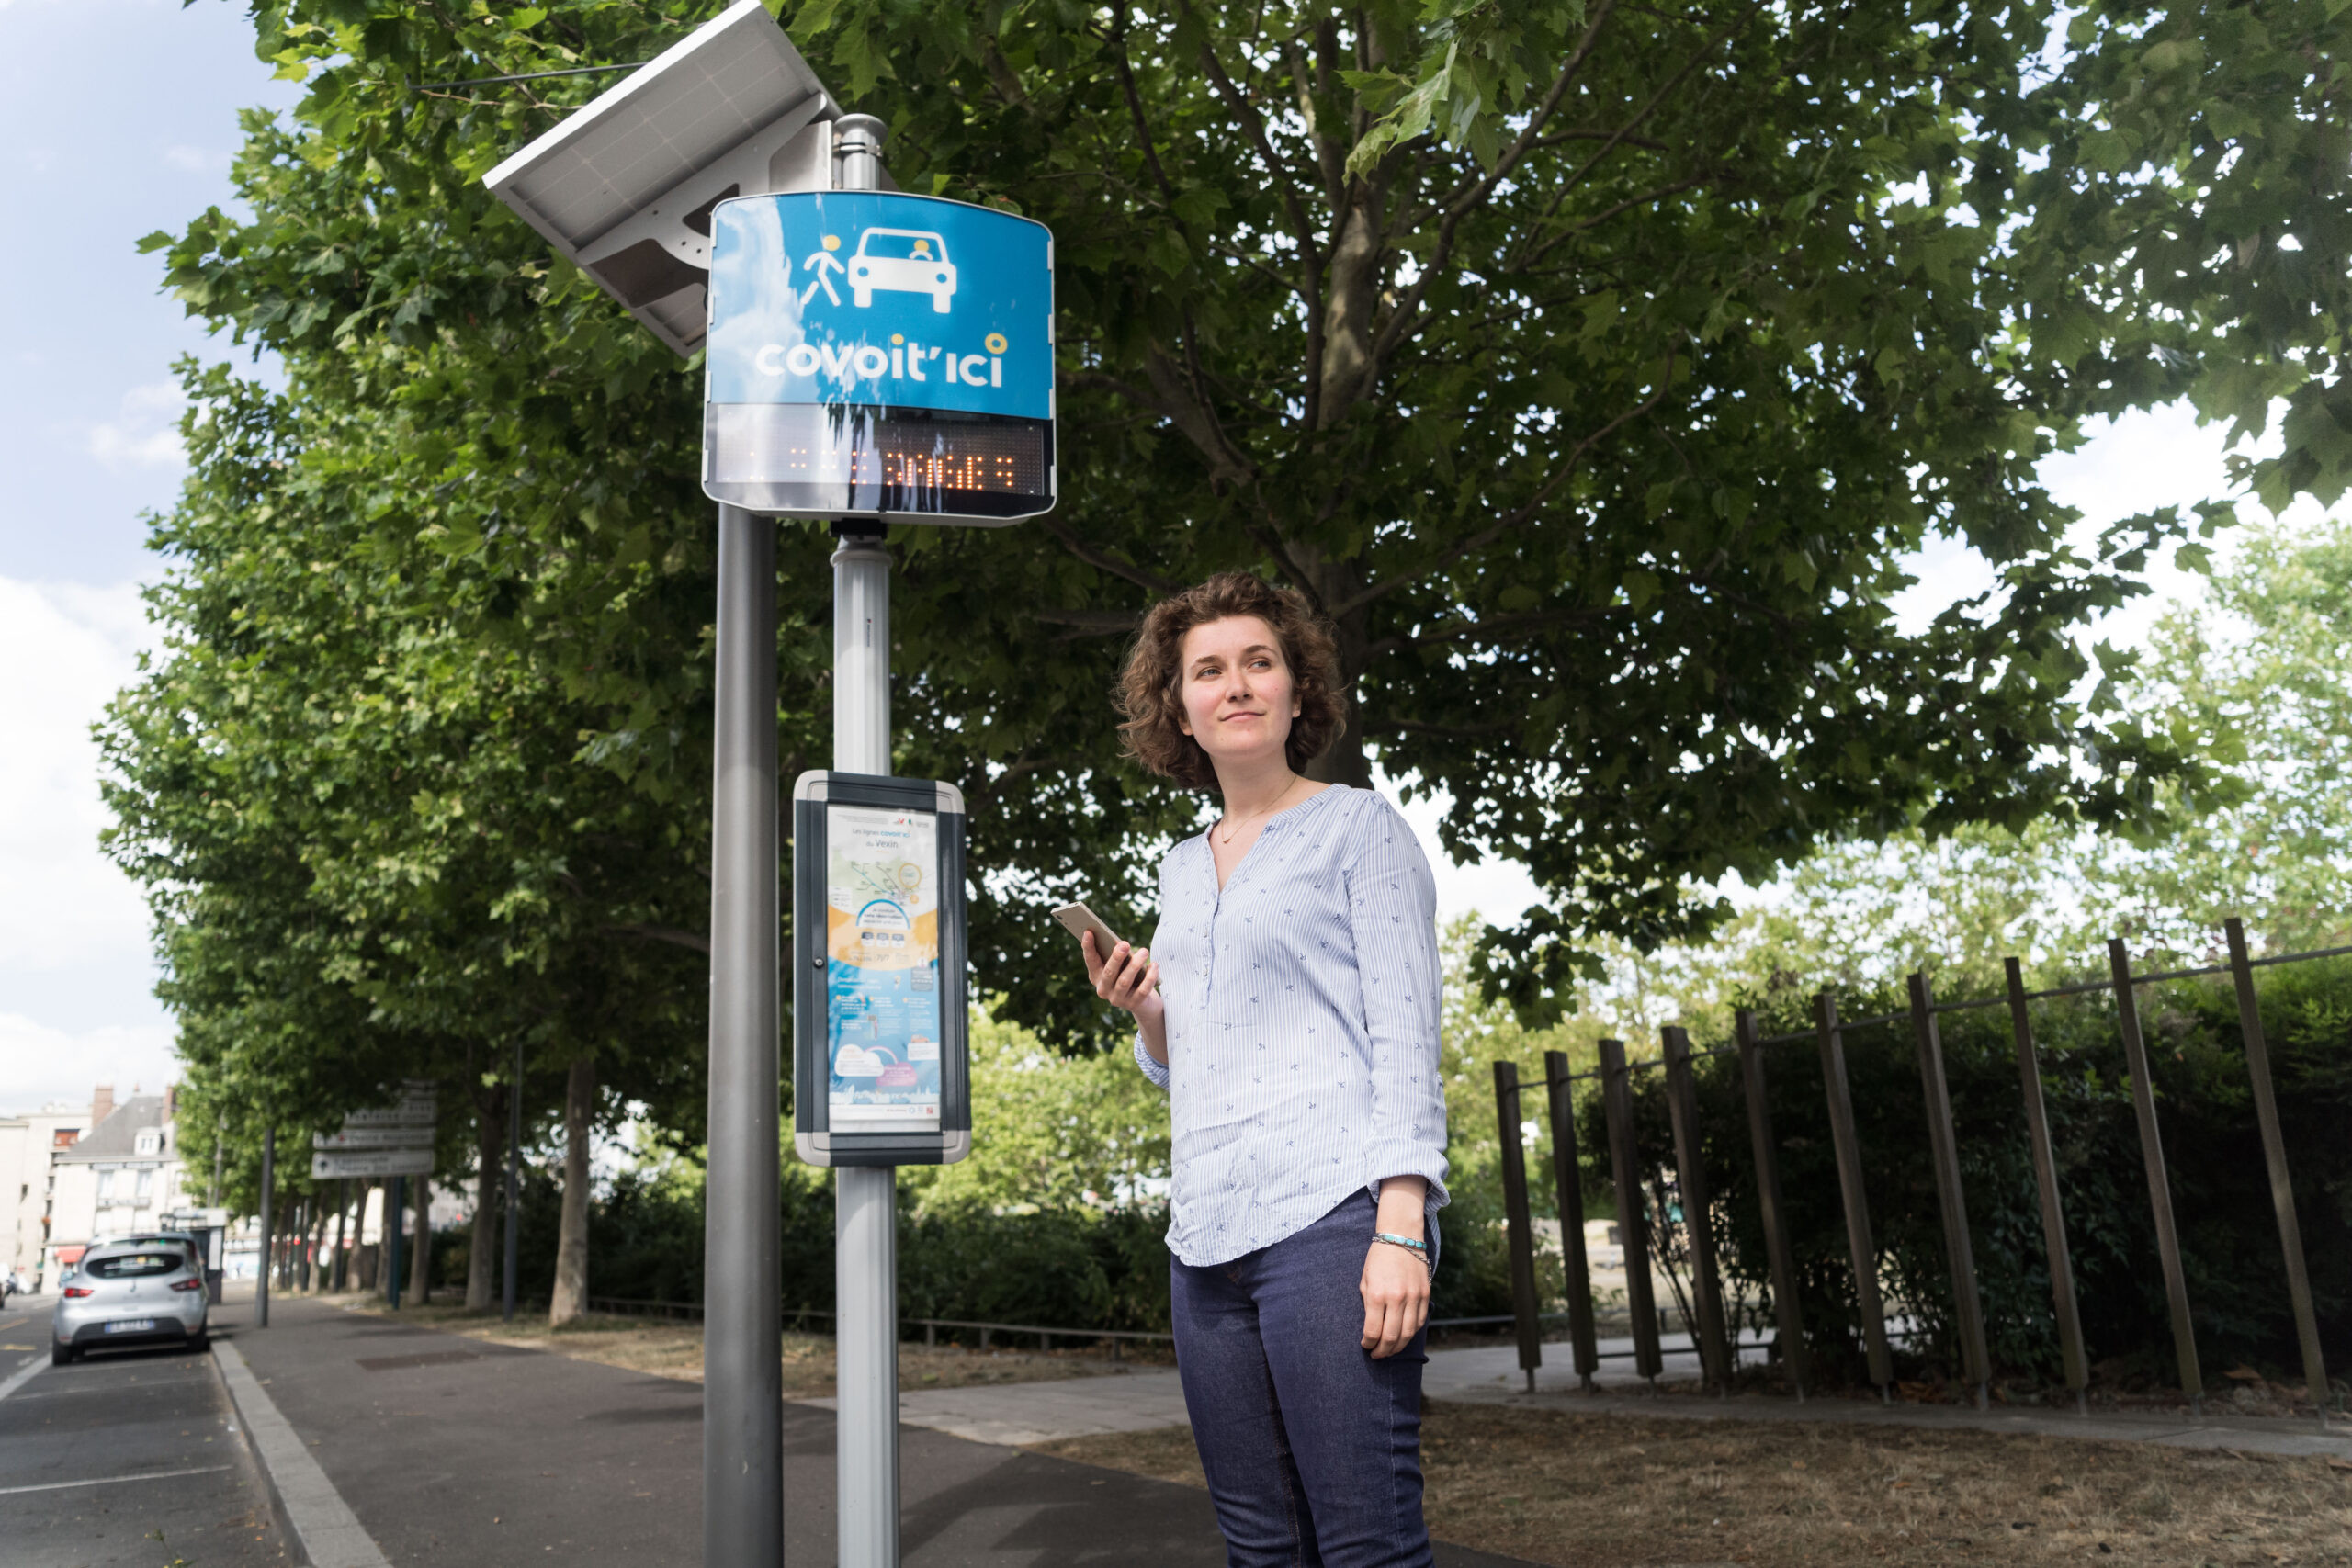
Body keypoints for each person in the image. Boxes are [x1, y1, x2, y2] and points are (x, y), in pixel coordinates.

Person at [1084, 570, 1448, 1568]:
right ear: (1181, 710)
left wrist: (1402, 1228)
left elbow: (1407, 1035)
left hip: (1332, 1222)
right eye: (1208, 670)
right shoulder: (1175, 866)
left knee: (1366, 1541)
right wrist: (1148, 1011)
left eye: (1258, 662)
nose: (1235, 683)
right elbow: (1181, 1060)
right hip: (1203, 1238)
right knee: (1258, 1547)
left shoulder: (1357, 828)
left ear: (1296, 692)